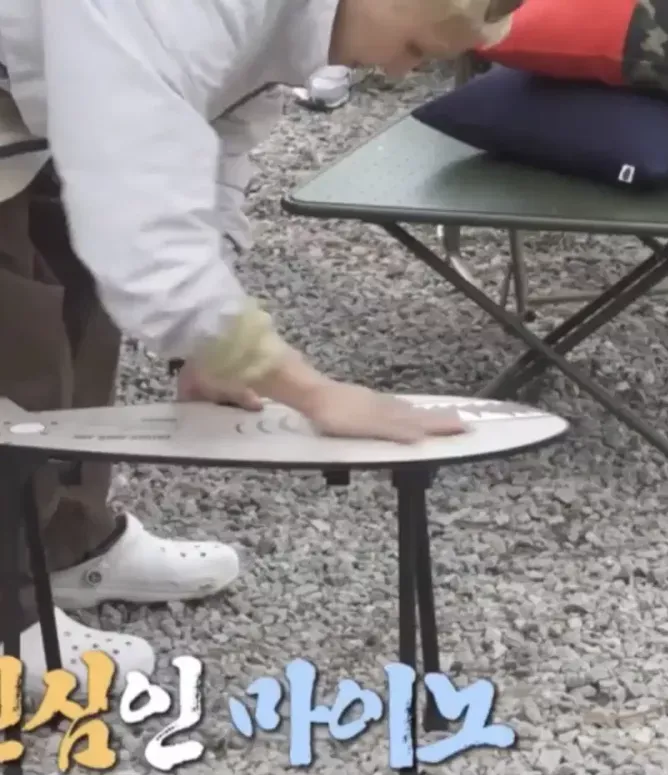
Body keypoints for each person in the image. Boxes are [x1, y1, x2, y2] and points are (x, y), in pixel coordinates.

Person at [0, 0, 514, 695]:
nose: (399, 72)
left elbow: (211, 149)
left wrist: (207, 347)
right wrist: (312, 391)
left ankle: (63, 539)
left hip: (47, 73)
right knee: (15, 335)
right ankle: (6, 614)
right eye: (416, 48)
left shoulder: (274, 24)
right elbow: (142, 230)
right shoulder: (187, 10)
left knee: (77, 267)